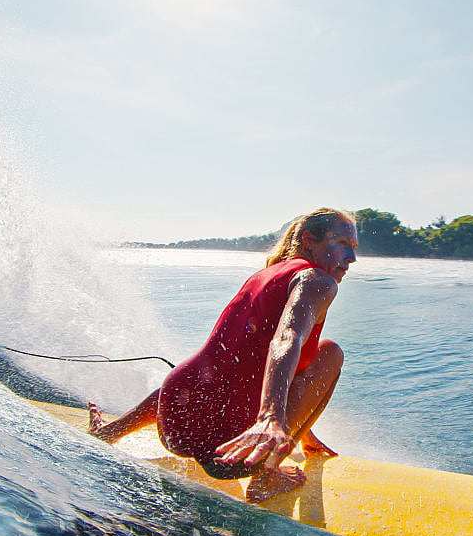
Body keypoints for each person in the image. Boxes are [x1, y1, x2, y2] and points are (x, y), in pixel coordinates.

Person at [87, 207, 358, 502]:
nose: (352, 258)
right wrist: (271, 417)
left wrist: (303, 429)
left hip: (175, 424)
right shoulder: (318, 281)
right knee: (330, 353)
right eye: (343, 243)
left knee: (214, 365)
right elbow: (286, 337)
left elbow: (245, 363)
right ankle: (266, 474)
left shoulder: (264, 275)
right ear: (309, 240)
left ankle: (111, 431)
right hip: (232, 447)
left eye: (354, 248)